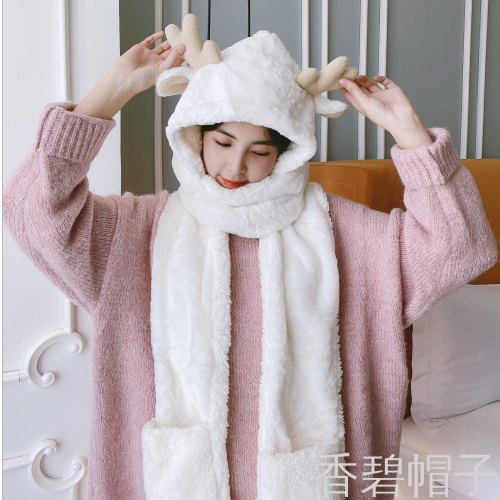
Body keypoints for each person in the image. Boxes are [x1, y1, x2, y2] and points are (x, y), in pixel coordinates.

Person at [3, 19, 497, 500]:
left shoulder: (344, 236)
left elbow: (459, 246)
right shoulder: (136, 235)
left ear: (286, 153)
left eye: (259, 151)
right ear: (196, 135)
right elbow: (32, 212)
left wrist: (409, 133)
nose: (236, 166)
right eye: (223, 142)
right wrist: (109, 93)